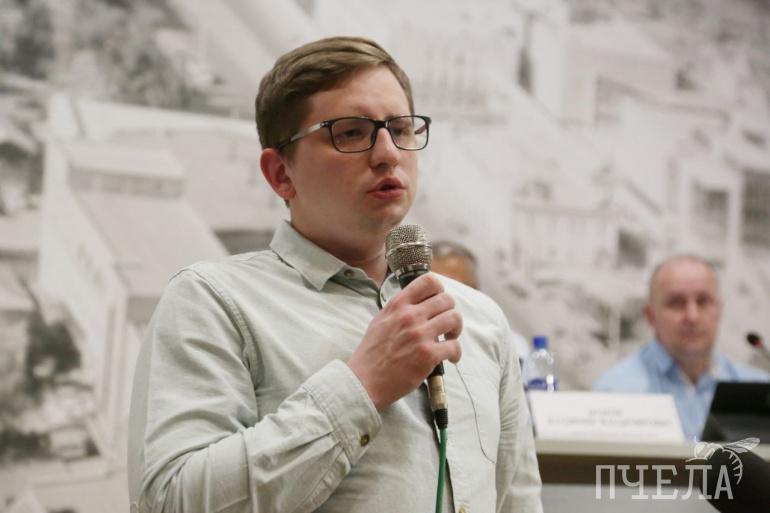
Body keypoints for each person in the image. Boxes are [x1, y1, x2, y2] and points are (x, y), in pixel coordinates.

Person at [127, 36, 542, 513]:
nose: (388, 153)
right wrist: (362, 385)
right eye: (351, 133)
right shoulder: (212, 301)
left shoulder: (480, 319)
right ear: (280, 173)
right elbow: (171, 500)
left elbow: (518, 503)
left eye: (401, 128)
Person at [593, 255, 770, 441]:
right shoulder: (616, 392)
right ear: (651, 316)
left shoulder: (760, 391)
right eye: (676, 303)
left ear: (719, 310)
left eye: (703, 301)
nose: (692, 317)